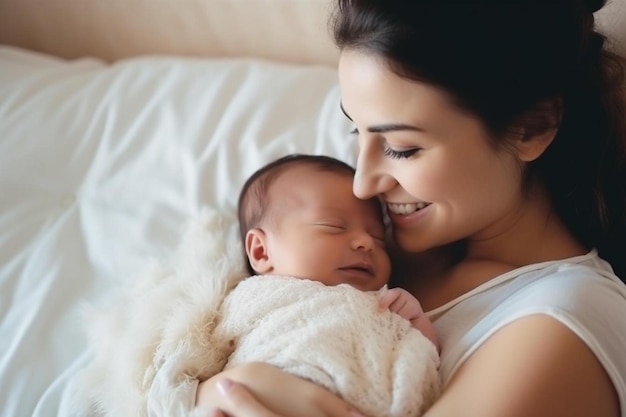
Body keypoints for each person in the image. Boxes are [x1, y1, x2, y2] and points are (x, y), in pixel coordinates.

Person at [194, 0, 626, 416]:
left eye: (402, 148)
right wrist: (218, 390)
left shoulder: (560, 326)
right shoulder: (361, 238)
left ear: (532, 127)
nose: (363, 183)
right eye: (354, 131)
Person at [149, 153, 441, 417]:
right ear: (262, 251)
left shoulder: (383, 303)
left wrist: (417, 323)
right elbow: (173, 383)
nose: (365, 242)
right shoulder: (249, 298)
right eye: (334, 226)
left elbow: (425, 361)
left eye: (378, 238)